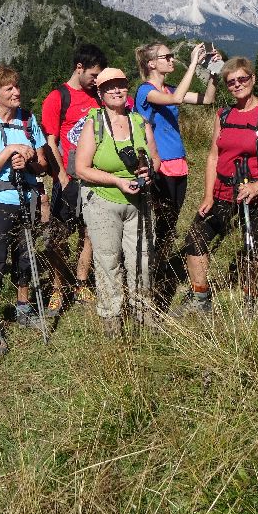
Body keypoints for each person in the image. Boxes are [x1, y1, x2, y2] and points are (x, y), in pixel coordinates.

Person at [180, 57, 258, 312]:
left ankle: (253, 301)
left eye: (242, 79)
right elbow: (213, 156)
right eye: (231, 82)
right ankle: (199, 298)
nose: (237, 85)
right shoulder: (224, 114)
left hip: (256, 194)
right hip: (222, 191)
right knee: (195, 239)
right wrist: (208, 195)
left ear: (253, 79)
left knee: (254, 248)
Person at [74, 68, 161, 336]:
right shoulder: (94, 123)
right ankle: (111, 316)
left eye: (121, 85)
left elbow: (155, 159)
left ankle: (143, 312)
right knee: (108, 260)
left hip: (139, 202)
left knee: (142, 259)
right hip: (102, 201)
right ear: (100, 93)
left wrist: (149, 171)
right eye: (109, 87)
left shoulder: (140, 122)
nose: (116, 90)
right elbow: (81, 169)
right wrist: (117, 181)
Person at [0, 65, 49, 355]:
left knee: (25, 257)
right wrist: (9, 151)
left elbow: (43, 165)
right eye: (9, 89)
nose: (17, 92)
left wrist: (28, 162)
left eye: (17, 86)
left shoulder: (28, 119)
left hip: (25, 198)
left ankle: (23, 307)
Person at [134, 41, 222, 263]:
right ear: (151, 64)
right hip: (159, 165)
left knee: (171, 220)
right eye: (167, 57)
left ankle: (160, 265)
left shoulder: (170, 88)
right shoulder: (145, 91)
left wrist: (214, 72)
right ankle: (151, 266)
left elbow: (208, 99)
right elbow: (176, 100)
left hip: (178, 162)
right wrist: (193, 64)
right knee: (162, 221)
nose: (172, 59)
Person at [39, 43, 107, 314]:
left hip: (93, 177)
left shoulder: (97, 96)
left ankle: (80, 282)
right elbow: (50, 141)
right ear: (79, 68)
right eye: (93, 75)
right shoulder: (57, 97)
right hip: (67, 179)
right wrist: (62, 178)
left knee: (89, 232)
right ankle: (57, 288)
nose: (96, 81)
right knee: (58, 236)